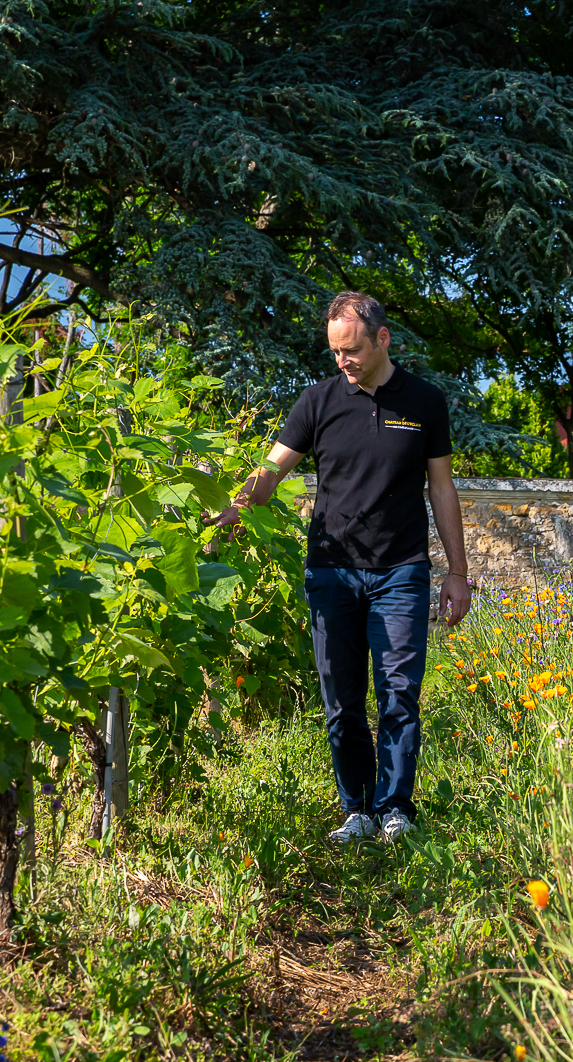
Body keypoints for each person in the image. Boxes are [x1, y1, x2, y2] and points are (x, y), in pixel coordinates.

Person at [208, 292, 471, 843]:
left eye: (350, 350)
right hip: (331, 570)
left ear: (382, 340)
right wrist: (236, 501)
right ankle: (357, 809)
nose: (341, 362)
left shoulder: (424, 401)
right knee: (342, 697)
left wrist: (457, 572)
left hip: (401, 569)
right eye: (333, 352)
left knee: (399, 691)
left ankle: (396, 807)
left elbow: (441, 488)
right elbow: (273, 469)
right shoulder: (318, 401)